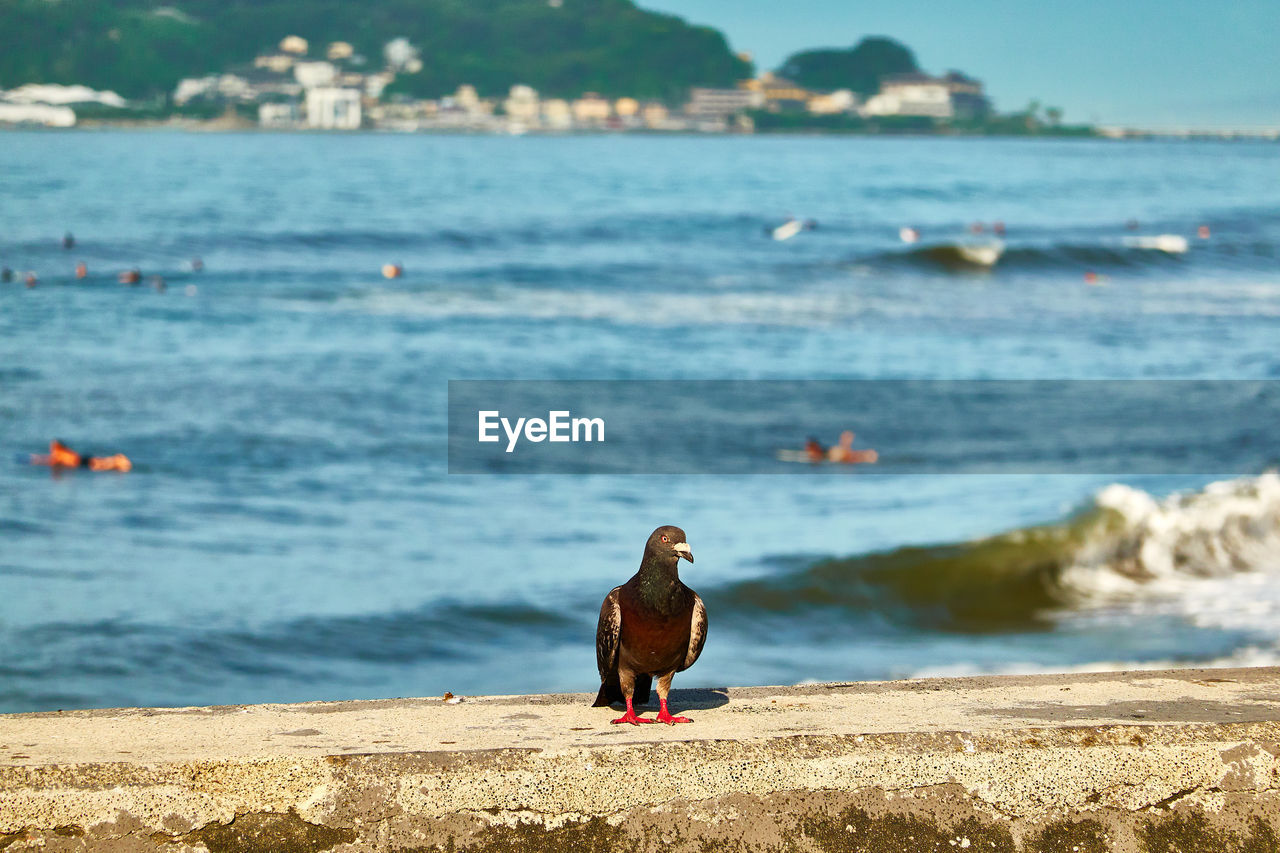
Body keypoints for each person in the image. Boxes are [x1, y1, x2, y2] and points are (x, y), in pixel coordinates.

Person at [29, 440, 132, 472]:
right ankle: (117, 460)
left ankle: (118, 461)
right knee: (101, 462)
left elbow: (49, 460)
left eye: (53, 448)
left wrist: (36, 460)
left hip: (80, 462)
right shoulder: (63, 453)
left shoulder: (60, 455)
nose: (51, 450)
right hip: (81, 460)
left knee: (100, 465)